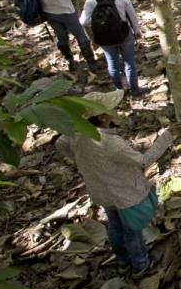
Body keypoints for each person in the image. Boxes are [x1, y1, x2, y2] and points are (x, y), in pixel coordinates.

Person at [56, 90, 171, 272]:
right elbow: (143, 161)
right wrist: (167, 137)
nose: (115, 110)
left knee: (115, 225)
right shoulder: (109, 143)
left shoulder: (76, 132)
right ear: (102, 117)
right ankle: (141, 263)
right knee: (131, 230)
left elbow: (60, 144)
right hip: (123, 192)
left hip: (101, 190)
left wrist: (80, 161)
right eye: (112, 109)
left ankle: (123, 260)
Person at [79, 0, 144, 97]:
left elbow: (83, 21)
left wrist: (100, 22)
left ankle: (119, 91)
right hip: (123, 33)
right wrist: (137, 31)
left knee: (112, 63)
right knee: (129, 62)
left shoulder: (91, 1)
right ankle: (135, 90)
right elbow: (132, 15)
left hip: (104, 38)